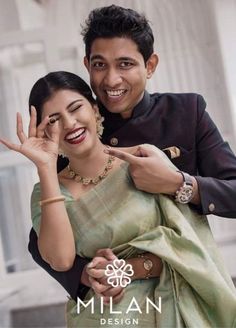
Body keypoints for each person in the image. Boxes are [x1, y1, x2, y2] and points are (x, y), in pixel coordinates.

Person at [27, 4, 236, 306]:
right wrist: (88, 276)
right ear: (87, 64)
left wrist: (179, 184)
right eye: (100, 65)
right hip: (118, 304)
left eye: (125, 64)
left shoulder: (186, 112)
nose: (111, 80)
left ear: (150, 65)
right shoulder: (77, 132)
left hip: (191, 285)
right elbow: (41, 240)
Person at [1, 71, 236, 327]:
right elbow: (61, 260)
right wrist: (45, 168)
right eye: (54, 120)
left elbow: (186, 242)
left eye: (75, 108)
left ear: (95, 110)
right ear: (45, 132)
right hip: (103, 318)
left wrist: (123, 270)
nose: (69, 124)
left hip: (178, 309)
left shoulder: (142, 161)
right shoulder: (46, 192)